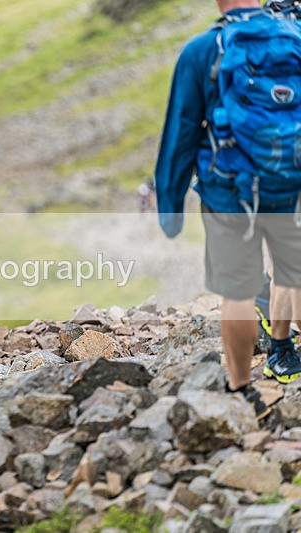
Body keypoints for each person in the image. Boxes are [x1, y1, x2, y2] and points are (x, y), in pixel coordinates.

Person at [155, 0, 301, 420]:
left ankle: (241, 390)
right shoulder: (295, 36)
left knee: (237, 294)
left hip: (227, 193)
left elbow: (180, 133)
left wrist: (170, 208)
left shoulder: (203, 50)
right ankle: (283, 348)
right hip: (291, 188)